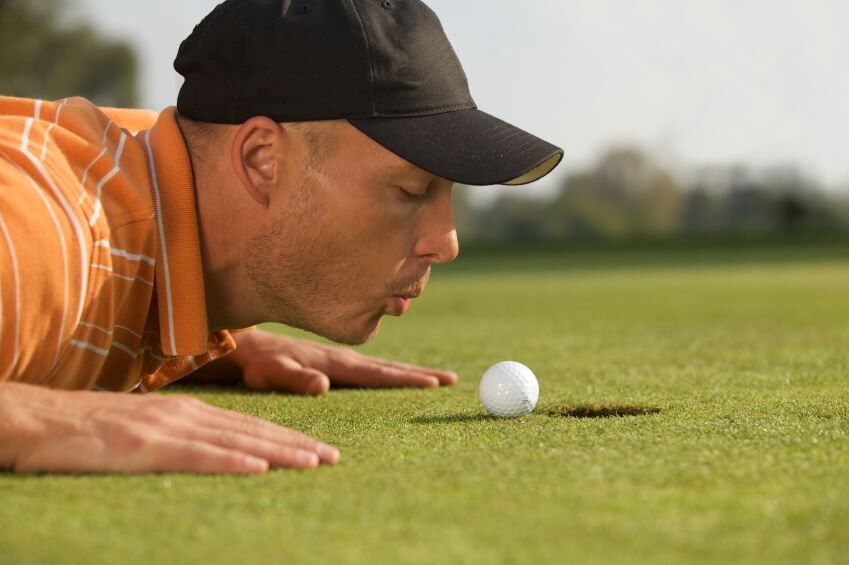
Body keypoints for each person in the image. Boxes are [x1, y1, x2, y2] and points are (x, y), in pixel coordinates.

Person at [0, 0, 563, 474]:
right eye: (410, 191)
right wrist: (37, 419)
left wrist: (199, 333)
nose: (446, 242)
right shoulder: (52, 234)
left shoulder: (137, 176)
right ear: (262, 159)